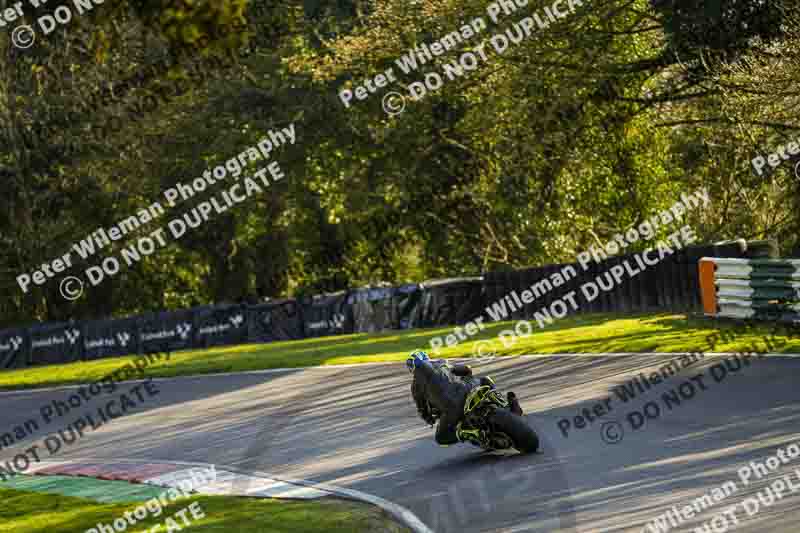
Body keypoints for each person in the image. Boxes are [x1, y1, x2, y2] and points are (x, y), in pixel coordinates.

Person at [407, 350, 523, 446]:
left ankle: (474, 433)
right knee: (485, 380)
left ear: (412, 369)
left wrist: (429, 419)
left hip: (452, 409)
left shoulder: (415, 387)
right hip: (467, 389)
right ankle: (505, 404)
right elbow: (467, 369)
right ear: (427, 358)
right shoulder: (441, 363)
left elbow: (422, 409)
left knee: (441, 438)